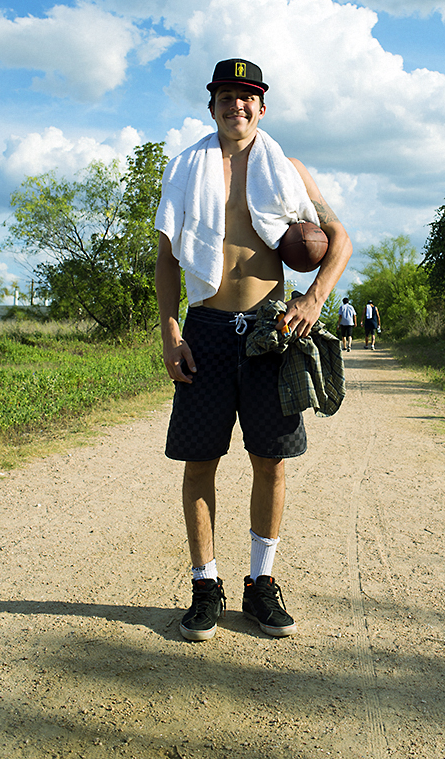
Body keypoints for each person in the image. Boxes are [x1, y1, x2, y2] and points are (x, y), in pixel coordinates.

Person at [154, 58, 352, 642]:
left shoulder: (287, 169)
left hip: (271, 328)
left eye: (248, 97)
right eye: (226, 95)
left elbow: (337, 238)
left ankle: (261, 585)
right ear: (211, 104)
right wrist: (170, 333)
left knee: (271, 460)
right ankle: (205, 586)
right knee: (200, 460)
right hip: (207, 328)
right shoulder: (186, 167)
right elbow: (167, 259)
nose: (236, 105)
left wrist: (315, 299)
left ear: (261, 107)